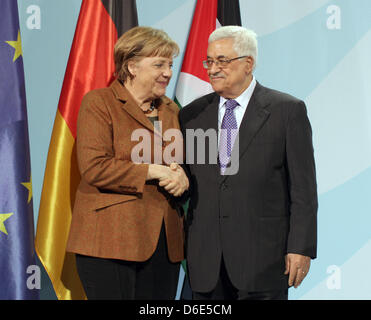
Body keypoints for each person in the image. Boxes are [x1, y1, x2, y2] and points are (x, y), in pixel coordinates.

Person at [179, 26, 318, 300]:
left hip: (263, 261)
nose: (212, 69)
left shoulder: (287, 110)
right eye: (209, 61)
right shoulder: (192, 115)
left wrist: (300, 247)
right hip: (207, 263)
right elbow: (191, 182)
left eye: (222, 61)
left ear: (248, 63)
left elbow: (303, 190)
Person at [66, 26, 189, 300]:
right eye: (159, 64)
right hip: (110, 239)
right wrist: (153, 171)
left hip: (164, 242)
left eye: (170, 64)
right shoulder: (99, 103)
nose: (168, 72)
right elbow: (95, 166)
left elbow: (179, 164)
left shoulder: (171, 109)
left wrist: (183, 177)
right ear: (132, 66)